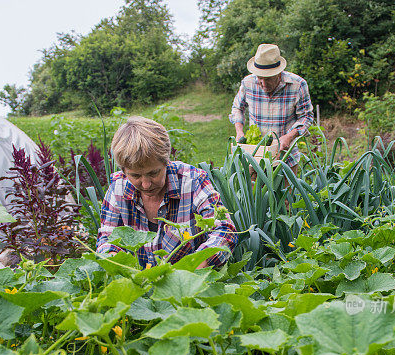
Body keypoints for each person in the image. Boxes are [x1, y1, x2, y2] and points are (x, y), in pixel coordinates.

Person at [96, 117, 237, 268]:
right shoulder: (118, 188)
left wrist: (192, 269)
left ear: (166, 162)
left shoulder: (193, 181)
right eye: (135, 175)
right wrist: (118, 266)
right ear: (123, 170)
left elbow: (224, 231)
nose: (146, 184)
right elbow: (107, 240)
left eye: (153, 173)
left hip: (191, 283)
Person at [229, 44, 313, 168]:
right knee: (254, 188)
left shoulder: (297, 85)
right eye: (260, 78)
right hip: (255, 158)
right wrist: (239, 131)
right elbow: (237, 108)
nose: (263, 83)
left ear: (279, 73)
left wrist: (289, 137)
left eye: (268, 79)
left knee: (287, 188)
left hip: (286, 158)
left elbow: (306, 116)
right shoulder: (248, 83)